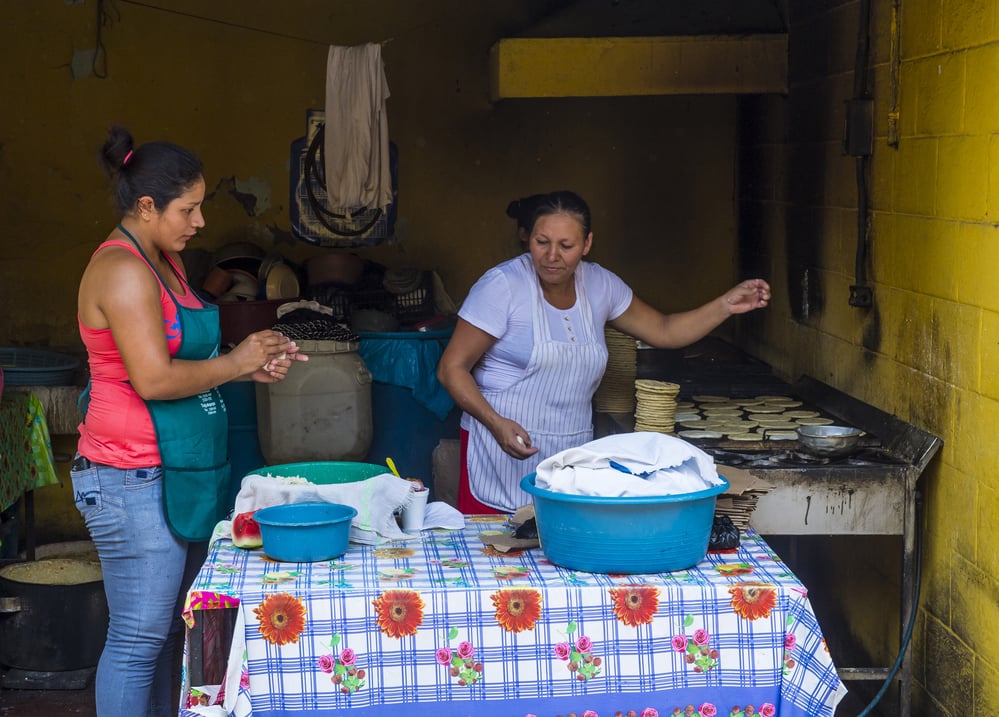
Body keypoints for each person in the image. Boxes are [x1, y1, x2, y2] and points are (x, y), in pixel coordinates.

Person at [72, 126, 307, 717]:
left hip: (175, 468)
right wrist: (234, 361)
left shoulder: (164, 263)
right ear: (146, 207)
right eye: (190, 208)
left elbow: (184, 356)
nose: (200, 222)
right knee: (137, 640)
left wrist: (243, 368)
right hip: (129, 474)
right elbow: (151, 379)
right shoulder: (122, 271)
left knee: (177, 634)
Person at [437, 190, 771, 515]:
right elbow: (452, 368)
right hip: (500, 453)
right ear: (529, 239)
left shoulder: (600, 285)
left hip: (571, 461)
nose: (552, 256)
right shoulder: (502, 286)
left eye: (566, 246)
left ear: (587, 244)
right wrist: (496, 423)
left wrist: (725, 305)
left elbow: (665, 330)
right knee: (500, 562)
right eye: (542, 242)